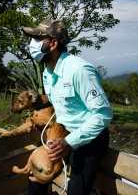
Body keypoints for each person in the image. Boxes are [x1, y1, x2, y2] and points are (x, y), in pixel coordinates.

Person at [22, 19, 113, 195]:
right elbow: (58, 103)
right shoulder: (48, 71)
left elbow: (103, 114)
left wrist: (69, 143)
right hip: (62, 133)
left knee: (77, 190)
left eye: (38, 39)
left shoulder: (79, 70)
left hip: (90, 138)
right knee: (35, 180)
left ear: (53, 43)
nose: (32, 44)